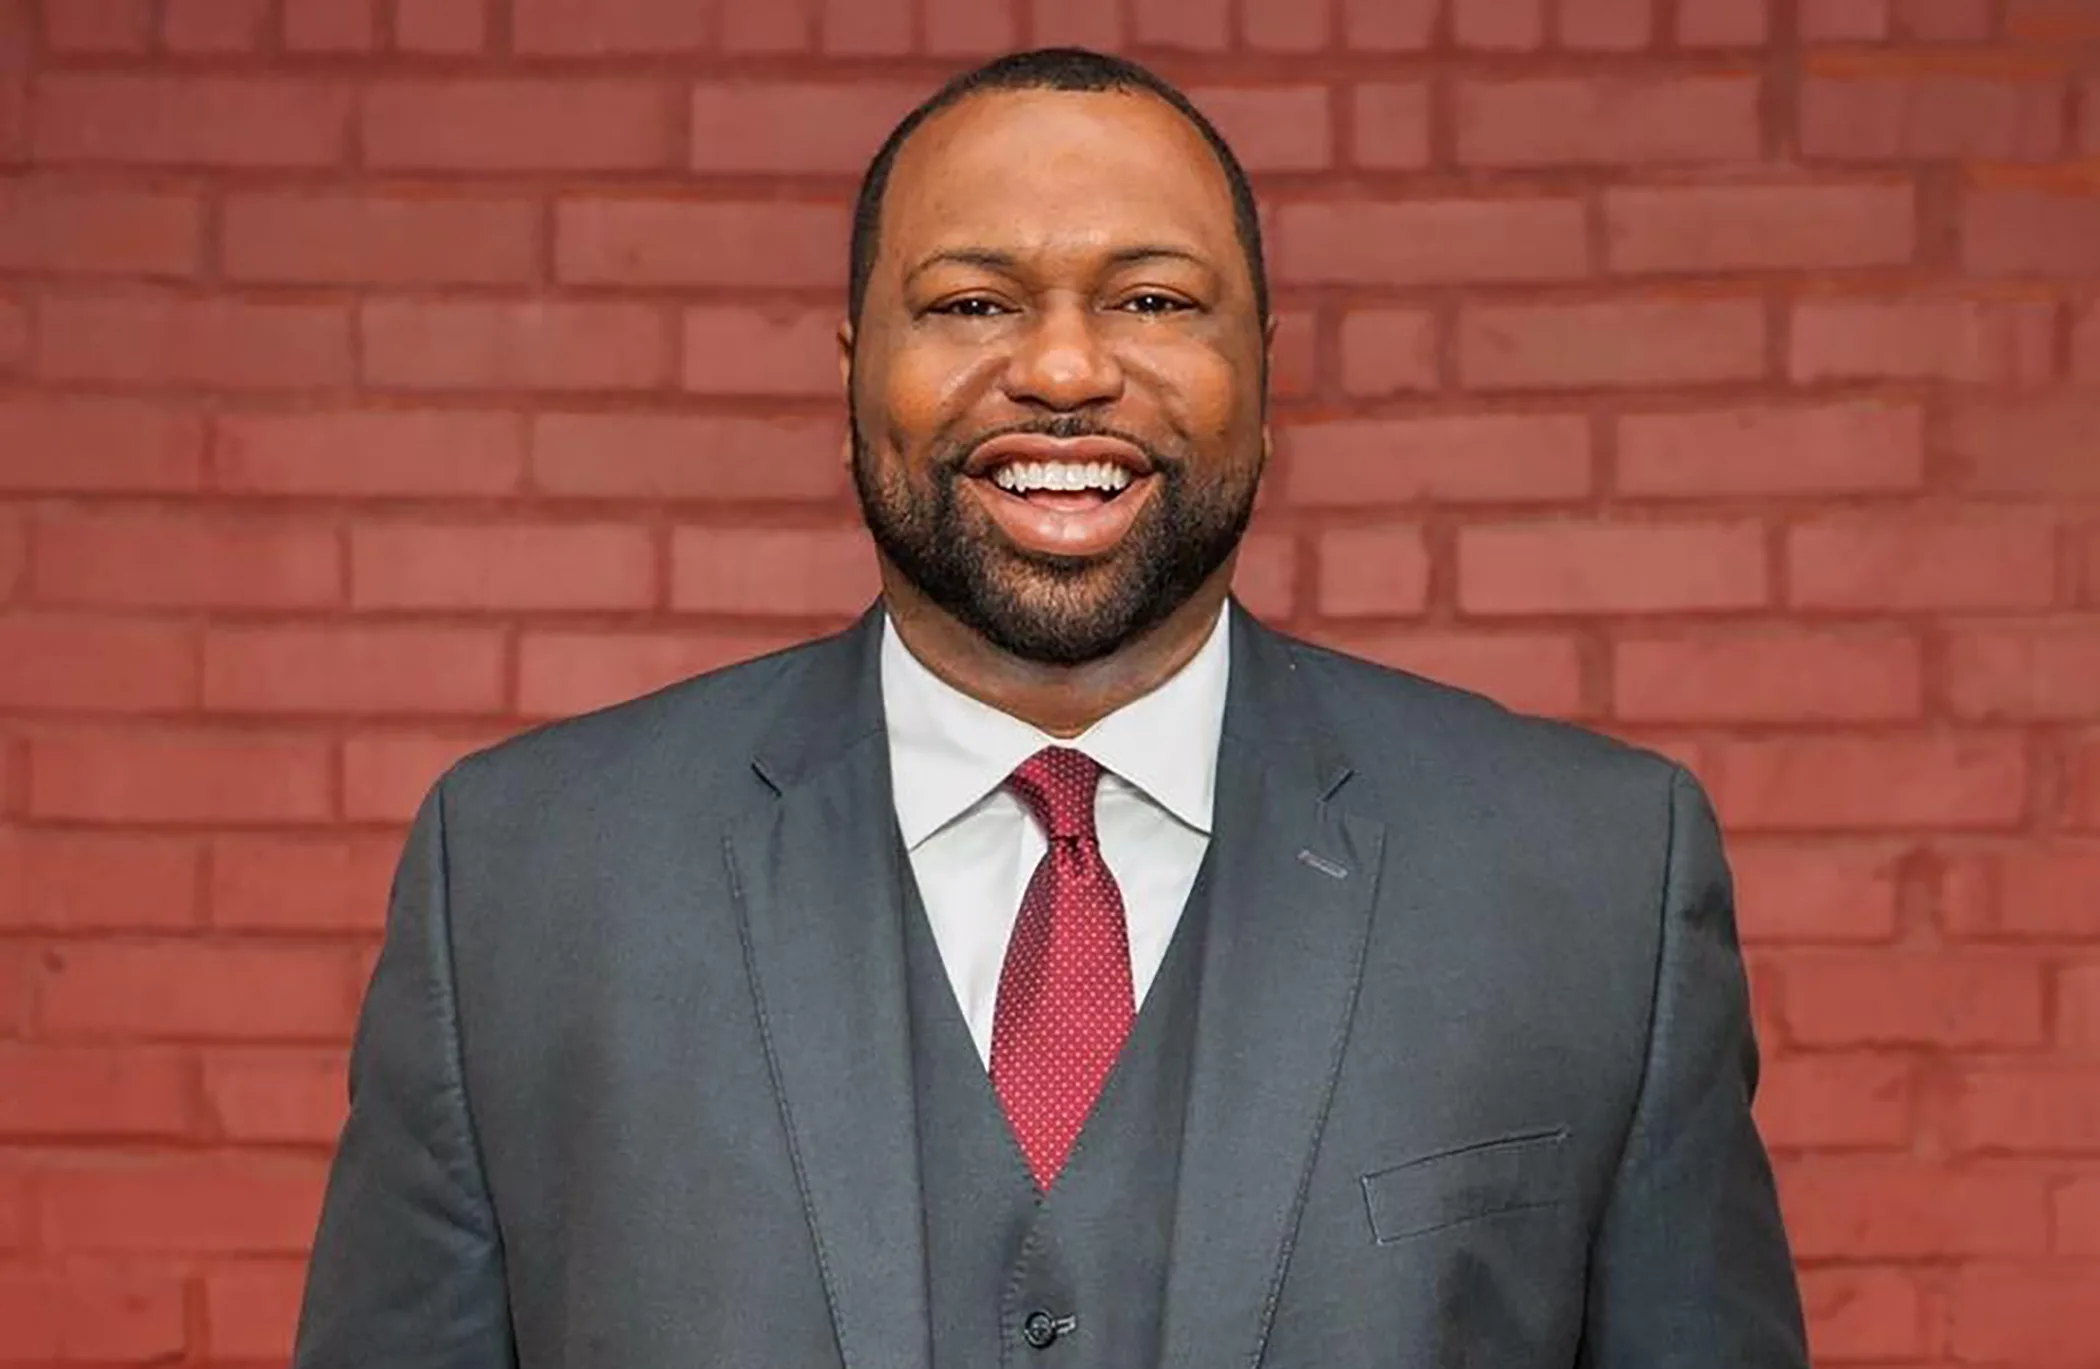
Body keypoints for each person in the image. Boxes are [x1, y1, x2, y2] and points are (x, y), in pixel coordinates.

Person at [292, 47, 1809, 1369]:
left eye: (1151, 298)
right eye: (970, 302)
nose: (1066, 369)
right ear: (850, 379)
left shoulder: (1595, 884)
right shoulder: (520, 883)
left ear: (1265, 378)